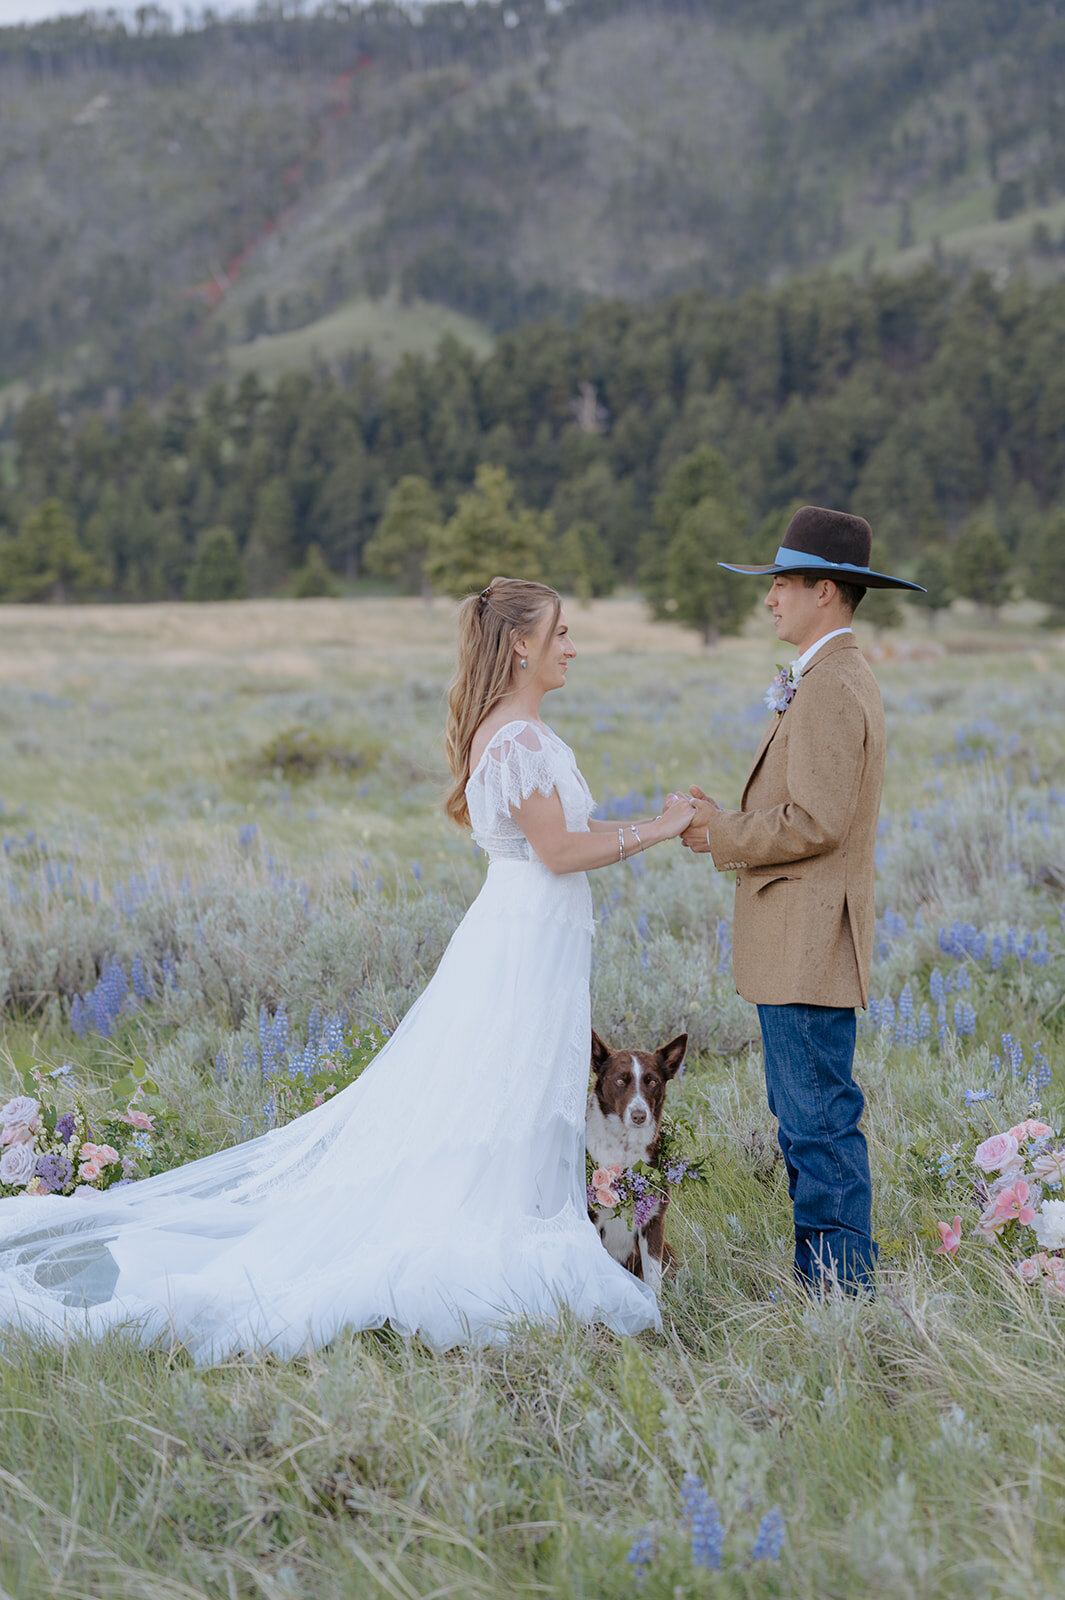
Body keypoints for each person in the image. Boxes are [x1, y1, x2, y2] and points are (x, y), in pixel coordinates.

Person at [0, 577, 693, 1360]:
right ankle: (499, 1236)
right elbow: (561, 851)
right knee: (509, 1091)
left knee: (514, 1093)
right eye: (561, 632)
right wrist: (661, 830)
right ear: (522, 645)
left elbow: (568, 833)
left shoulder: (517, 732)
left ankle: (527, 1215)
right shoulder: (520, 740)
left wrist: (656, 820)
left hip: (528, 935)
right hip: (523, 943)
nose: (572, 645)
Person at [679, 508, 923, 1294]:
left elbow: (815, 821)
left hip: (808, 942)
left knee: (817, 1126)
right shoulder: (826, 676)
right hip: (798, 939)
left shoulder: (829, 685)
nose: (769, 597)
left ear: (825, 591)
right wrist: (730, 823)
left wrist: (722, 832)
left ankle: (841, 1296)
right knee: (807, 1123)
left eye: (780, 583)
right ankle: (825, 1285)